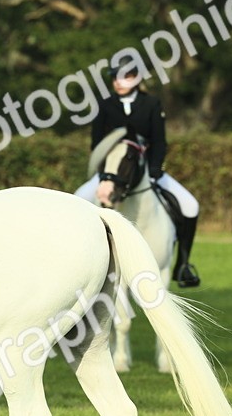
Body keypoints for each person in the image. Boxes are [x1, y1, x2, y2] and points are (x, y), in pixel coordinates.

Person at [74, 57, 202, 287]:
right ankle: (77, 264)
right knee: (77, 201)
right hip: (111, 173)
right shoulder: (105, 105)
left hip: (146, 172)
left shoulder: (151, 104)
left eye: (124, 77)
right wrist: (104, 174)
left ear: (137, 78)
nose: (118, 82)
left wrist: (153, 171)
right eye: (115, 77)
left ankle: (183, 265)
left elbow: (159, 142)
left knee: (191, 205)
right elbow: (97, 145)